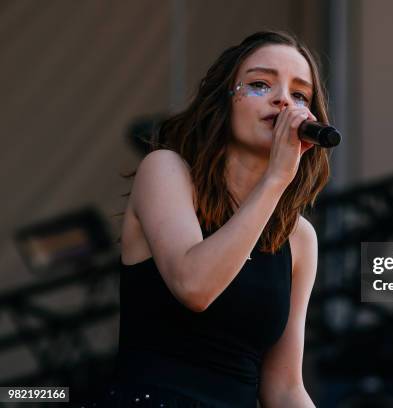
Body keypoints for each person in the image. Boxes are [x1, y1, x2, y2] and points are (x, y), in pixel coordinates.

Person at [91, 31, 332, 407]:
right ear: (225, 100)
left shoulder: (298, 237)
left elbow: (284, 387)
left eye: (299, 94)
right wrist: (275, 179)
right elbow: (195, 286)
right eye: (259, 84)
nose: (284, 99)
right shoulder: (166, 172)